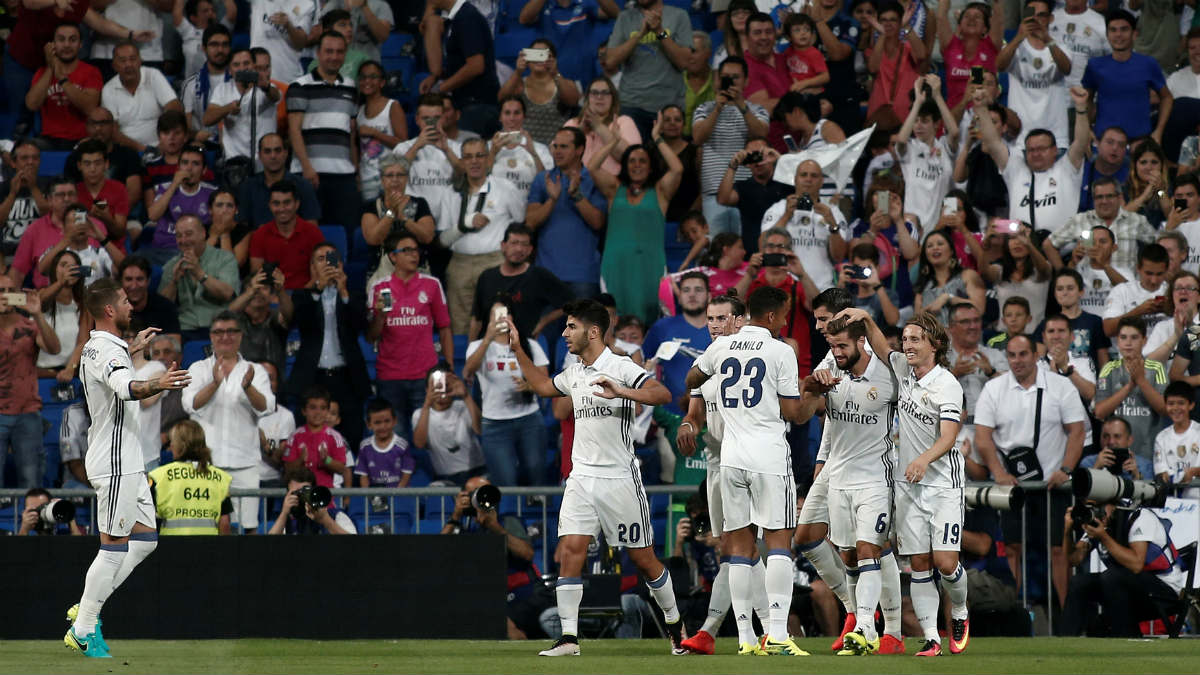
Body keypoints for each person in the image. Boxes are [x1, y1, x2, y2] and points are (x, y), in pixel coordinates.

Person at [506, 299, 685, 656]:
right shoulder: (575, 370)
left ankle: (676, 624)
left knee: (644, 559)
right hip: (581, 476)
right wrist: (517, 349)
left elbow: (662, 394)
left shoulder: (620, 366)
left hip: (620, 477)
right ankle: (569, 638)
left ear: (592, 331)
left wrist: (623, 391)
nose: (565, 333)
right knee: (571, 550)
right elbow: (543, 386)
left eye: (571, 327)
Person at [66, 277, 191, 657]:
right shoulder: (109, 354)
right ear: (108, 310)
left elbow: (113, 371)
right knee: (114, 547)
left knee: (146, 541)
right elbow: (125, 387)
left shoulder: (103, 347)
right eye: (123, 301)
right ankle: (84, 626)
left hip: (128, 463)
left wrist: (133, 347)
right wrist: (160, 382)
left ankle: (88, 606)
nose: (130, 305)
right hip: (116, 463)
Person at [834, 307, 970, 656]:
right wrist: (865, 317)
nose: (908, 345)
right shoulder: (902, 371)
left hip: (943, 486)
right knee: (920, 564)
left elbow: (949, 436)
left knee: (946, 563)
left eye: (916, 339)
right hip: (909, 485)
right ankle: (932, 638)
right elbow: (881, 347)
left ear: (935, 344)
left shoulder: (947, 385)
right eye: (906, 339)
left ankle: (959, 609)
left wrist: (923, 460)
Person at [684, 287, 809, 656]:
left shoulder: (721, 347)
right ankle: (779, 635)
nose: (786, 321)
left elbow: (692, 380)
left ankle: (745, 639)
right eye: (784, 314)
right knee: (779, 546)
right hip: (769, 458)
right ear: (771, 316)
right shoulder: (780, 350)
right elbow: (791, 412)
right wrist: (810, 396)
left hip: (732, 459)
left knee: (737, 549)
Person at [792, 312, 904, 654]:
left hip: (875, 478)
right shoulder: (830, 374)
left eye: (842, 345)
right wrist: (810, 387)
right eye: (832, 346)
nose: (836, 352)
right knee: (850, 557)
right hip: (838, 479)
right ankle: (862, 624)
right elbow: (798, 415)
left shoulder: (888, 376)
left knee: (870, 549)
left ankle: (870, 629)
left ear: (861, 342)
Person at [974, 334, 1087, 612]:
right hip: (1013, 487)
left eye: (1023, 354)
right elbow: (982, 437)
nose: (1017, 361)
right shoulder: (994, 388)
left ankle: (1065, 620)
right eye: (1012, 355)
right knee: (1012, 547)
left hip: (1052, 485)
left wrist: (1066, 469)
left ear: (1036, 355)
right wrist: (999, 473)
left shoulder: (1060, 386)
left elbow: (1077, 431)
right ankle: (1012, 613)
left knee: (1059, 550)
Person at [181, 310, 273, 531]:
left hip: (245, 463)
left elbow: (266, 406)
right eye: (219, 332)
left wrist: (248, 387)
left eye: (231, 331)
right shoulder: (198, 368)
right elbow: (190, 404)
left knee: (247, 527)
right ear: (211, 336)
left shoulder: (255, 370)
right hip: (205, 464)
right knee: (203, 525)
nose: (225, 336)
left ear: (241, 335)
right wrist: (214, 383)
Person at [588, 113, 683, 325]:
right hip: (616, 264)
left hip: (650, 265)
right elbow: (592, 167)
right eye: (632, 161)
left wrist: (657, 138)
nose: (637, 165)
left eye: (642, 161)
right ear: (625, 165)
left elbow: (677, 169)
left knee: (649, 318)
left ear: (650, 166)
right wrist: (612, 141)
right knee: (615, 320)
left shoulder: (660, 192)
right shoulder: (615, 189)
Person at [368, 230, 454, 439]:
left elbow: (444, 328)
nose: (414, 255)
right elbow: (371, 337)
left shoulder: (432, 285)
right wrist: (380, 317)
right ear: (393, 256)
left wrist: (449, 368)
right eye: (406, 251)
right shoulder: (379, 287)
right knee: (395, 440)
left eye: (416, 250)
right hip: (390, 377)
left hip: (425, 376)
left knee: (431, 438)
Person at [441, 474, 549, 639]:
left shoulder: (507, 521)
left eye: (485, 491)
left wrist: (494, 527)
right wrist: (455, 516)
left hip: (524, 594)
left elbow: (527, 554)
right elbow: (435, 556)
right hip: (490, 599)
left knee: (497, 620)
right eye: (474, 493)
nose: (481, 496)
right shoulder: (463, 529)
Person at [438, 138, 526, 335]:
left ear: (488, 159)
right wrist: (465, 224)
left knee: (498, 324)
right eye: (468, 157)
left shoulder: (506, 188)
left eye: (479, 155)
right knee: (459, 325)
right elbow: (442, 241)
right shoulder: (450, 193)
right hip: (459, 264)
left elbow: (520, 224)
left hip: (495, 262)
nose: (474, 161)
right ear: (461, 161)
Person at [975, 86, 1091, 234]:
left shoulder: (1067, 168)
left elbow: (1081, 142)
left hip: (1061, 250)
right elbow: (992, 143)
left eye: (1042, 149)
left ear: (1055, 150)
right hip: (1023, 248)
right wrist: (981, 109)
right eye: (1031, 150)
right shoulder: (1016, 169)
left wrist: (1080, 107)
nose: (1036, 154)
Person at [1061, 500, 1186, 636]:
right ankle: (1066, 643)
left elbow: (1136, 564)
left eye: (1098, 506)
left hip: (1165, 591)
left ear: (1113, 504)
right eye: (1090, 507)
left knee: (1111, 577)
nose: (1095, 512)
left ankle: (1127, 637)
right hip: (1126, 586)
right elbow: (1074, 559)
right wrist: (1067, 531)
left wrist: (1103, 537)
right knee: (1078, 583)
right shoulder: (1098, 523)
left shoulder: (1138, 517)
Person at [287, 242, 369, 447]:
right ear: (312, 267)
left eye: (331, 259)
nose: (326, 264)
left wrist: (343, 292)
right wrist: (317, 289)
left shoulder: (355, 295)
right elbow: (301, 322)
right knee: (308, 437)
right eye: (320, 259)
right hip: (313, 376)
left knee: (351, 434)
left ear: (341, 264)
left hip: (346, 377)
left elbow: (360, 325)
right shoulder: (302, 296)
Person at [465, 296, 550, 486]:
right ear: (488, 319)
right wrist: (487, 338)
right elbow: (468, 371)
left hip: (529, 419)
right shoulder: (476, 347)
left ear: (512, 316)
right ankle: (509, 516)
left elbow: (544, 381)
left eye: (504, 313)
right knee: (505, 479)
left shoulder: (530, 345)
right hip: (495, 424)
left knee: (536, 470)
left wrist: (530, 385)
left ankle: (538, 513)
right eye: (495, 315)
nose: (500, 319)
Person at [287, 30, 360, 235]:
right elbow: (294, 130)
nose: (334, 56)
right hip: (310, 174)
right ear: (318, 53)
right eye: (329, 51)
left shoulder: (351, 87)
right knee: (309, 236)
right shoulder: (299, 86)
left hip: (344, 175)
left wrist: (356, 171)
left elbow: (351, 133)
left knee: (346, 233)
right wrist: (307, 167)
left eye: (339, 52)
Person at [525, 126, 609, 300]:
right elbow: (530, 222)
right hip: (545, 274)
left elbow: (598, 222)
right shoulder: (543, 179)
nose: (557, 151)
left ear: (579, 150)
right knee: (544, 327)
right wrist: (552, 200)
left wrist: (576, 195)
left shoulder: (594, 179)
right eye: (555, 146)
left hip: (583, 276)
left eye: (564, 147)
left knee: (581, 327)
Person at [692, 57, 769, 236]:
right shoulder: (704, 108)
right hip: (713, 193)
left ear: (746, 81)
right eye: (726, 77)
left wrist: (742, 106)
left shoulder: (758, 111)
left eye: (736, 77)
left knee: (748, 248)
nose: (731, 81)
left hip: (747, 193)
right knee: (714, 250)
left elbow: (760, 135)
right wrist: (718, 109)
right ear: (718, 79)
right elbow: (698, 138)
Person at [603, 0, 693, 143]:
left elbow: (684, 62)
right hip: (631, 105)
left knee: (666, 163)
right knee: (633, 161)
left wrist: (659, 32)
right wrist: (638, 35)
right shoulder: (625, 18)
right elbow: (610, 61)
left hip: (668, 108)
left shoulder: (678, 16)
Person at [0, 279, 59, 488]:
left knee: (31, 480)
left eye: (10, 291)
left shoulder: (30, 326)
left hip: (27, 412)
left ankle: (33, 520)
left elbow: (54, 348)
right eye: (1, 291)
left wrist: (37, 314)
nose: (5, 295)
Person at [1081, 10, 1172, 144]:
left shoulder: (1148, 64)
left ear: (1134, 34)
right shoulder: (1094, 65)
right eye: (1113, 30)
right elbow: (1085, 100)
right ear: (1107, 35)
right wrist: (1086, 129)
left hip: (1139, 143)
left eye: (1124, 29)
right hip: (1103, 143)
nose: (1118, 35)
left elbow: (1167, 97)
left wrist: (1158, 131)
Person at [468, 224, 570, 342]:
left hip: (524, 347)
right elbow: (476, 319)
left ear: (530, 249)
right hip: (488, 347)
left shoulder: (539, 275)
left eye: (524, 244)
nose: (519, 249)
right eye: (514, 243)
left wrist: (543, 321)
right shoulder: (487, 277)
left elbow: (573, 303)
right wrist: (471, 350)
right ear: (503, 246)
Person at [760, 159, 849, 292]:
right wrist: (786, 215)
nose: (808, 179)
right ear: (795, 179)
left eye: (814, 176)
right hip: (784, 288)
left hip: (822, 288)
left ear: (821, 181)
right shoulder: (777, 209)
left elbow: (839, 256)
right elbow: (762, 247)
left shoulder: (832, 212)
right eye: (803, 175)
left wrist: (832, 224)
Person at [1043, 199, 1152, 304]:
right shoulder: (1078, 271)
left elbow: (1131, 296)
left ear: (1114, 248)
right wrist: (1073, 263)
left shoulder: (1125, 273)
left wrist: (1104, 265)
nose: (1097, 246)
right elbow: (1063, 297)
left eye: (1103, 241)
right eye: (1093, 242)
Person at [1094, 316, 1167, 470]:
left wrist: (1141, 381)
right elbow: (1099, 412)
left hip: (1149, 452)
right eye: (1123, 337)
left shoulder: (1157, 368)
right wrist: (1129, 387)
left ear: (1144, 340)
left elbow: (1163, 409)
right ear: (1118, 341)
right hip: (1115, 454)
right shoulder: (1108, 369)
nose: (1128, 343)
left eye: (1134, 337)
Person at [418, 0, 500, 136]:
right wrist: (435, 77)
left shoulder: (467, 17)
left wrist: (441, 89)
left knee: (470, 154)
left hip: (478, 105)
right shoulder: (454, 18)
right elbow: (455, 62)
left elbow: (476, 66)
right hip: (466, 103)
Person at [997, 0, 1070, 150]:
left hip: (1056, 137)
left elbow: (1066, 69)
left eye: (1041, 16)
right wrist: (1019, 37)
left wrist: (1047, 39)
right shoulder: (1015, 47)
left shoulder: (1061, 46)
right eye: (1031, 15)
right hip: (1020, 138)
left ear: (1050, 19)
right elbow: (999, 65)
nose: (1036, 20)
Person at [8, 179, 107, 289]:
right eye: (60, 195)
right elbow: (17, 272)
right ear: (49, 199)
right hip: (48, 296)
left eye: (71, 194)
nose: (66, 199)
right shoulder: (35, 229)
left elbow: (112, 267)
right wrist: (13, 301)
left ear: (77, 197)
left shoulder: (94, 226)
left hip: (91, 294)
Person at [894, 75, 959, 232]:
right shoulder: (910, 148)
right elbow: (901, 140)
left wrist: (937, 96)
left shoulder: (943, 146)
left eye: (924, 121)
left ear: (936, 124)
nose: (918, 126)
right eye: (915, 121)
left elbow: (955, 132)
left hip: (941, 226)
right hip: (914, 227)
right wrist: (917, 103)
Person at [159, 215, 239, 339]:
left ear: (203, 233)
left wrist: (200, 274)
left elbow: (227, 293)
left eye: (189, 234)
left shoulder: (224, 259)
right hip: (183, 329)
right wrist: (174, 282)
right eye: (179, 236)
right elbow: (162, 306)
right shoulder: (171, 265)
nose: (183, 240)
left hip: (219, 328)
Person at [148, 419, 234, 535]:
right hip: (210, 548)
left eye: (173, 441)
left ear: (180, 445)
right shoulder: (219, 477)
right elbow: (224, 523)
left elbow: (148, 521)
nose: (171, 445)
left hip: (170, 548)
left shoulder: (159, 476)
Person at [392, 94, 464, 232]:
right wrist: (417, 146)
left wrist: (447, 150)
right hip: (414, 220)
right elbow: (394, 176)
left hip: (448, 220)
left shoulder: (456, 148)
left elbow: (467, 177)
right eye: (426, 119)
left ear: (444, 118)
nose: (431, 123)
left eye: (436, 118)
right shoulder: (403, 148)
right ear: (417, 120)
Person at [25, 23, 103, 150]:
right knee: (26, 148)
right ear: (53, 45)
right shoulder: (42, 72)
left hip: (82, 140)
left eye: (72, 40)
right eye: (61, 39)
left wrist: (61, 77)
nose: (67, 45)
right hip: (49, 140)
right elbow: (32, 105)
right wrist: (51, 67)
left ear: (80, 44)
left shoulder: (91, 72)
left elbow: (89, 108)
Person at [643, 271, 712, 415]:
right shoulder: (662, 327)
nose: (692, 295)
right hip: (670, 415)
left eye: (698, 290)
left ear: (709, 296)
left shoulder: (721, 329)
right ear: (679, 297)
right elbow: (643, 365)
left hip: (714, 415)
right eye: (686, 290)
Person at [360, 154, 435, 285]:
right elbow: (373, 239)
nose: (395, 179)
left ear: (407, 178)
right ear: (382, 180)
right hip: (382, 271)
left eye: (400, 175)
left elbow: (427, 237)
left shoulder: (420, 204)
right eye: (389, 175)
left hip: (417, 270)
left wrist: (404, 219)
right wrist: (391, 214)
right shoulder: (371, 207)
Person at [100, 41, 183, 153]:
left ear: (140, 61)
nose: (128, 64)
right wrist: (144, 150)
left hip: (163, 146)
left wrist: (166, 141)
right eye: (122, 61)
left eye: (133, 59)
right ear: (114, 66)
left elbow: (174, 106)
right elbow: (113, 131)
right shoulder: (108, 89)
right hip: (127, 151)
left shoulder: (153, 75)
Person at [498, 37, 581, 146]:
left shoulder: (563, 83)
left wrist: (556, 73)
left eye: (543, 55)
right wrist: (518, 72)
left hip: (555, 150)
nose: (539, 59)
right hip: (523, 148)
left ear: (553, 59)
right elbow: (501, 99)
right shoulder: (519, 85)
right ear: (527, 57)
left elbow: (573, 101)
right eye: (534, 54)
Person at [412, 364, 486, 485]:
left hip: (477, 471)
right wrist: (427, 404)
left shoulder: (463, 406)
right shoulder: (419, 414)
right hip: (445, 477)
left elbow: (481, 430)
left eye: (447, 384)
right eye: (437, 386)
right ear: (427, 389)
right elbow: (419, 444)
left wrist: (466, 396)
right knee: (435, 492)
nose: (443, 389)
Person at [145, 145, 218, 266]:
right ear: (178, 168)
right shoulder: (166, 188)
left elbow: (219, 227)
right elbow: (153, 216)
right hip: (162, 251)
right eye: (185, 163)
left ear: (204, 170)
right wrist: (174, 185)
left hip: (195, 254)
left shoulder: (212, 193)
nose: (189, 168)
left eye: (195, 164)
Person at [205, 48, 280, 164]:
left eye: (246, 63)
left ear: (254, 66)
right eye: (236, 65)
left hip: (264, 161)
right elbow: (207, 119)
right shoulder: (222, 89)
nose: (242, 68)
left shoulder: (266, 87)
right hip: (234, 162)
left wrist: (265, 86)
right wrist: (228, 108)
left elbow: (275, 96)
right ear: (229, 70)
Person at [248, 180, 326, 290]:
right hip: (272, 297)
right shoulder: (260, 235)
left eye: (287, 203)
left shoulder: (313, 233)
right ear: (269, 206)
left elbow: (320, 274)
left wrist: (301, 296)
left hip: (306, 295)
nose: (281, 209)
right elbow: (257, 275)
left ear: (297, 204)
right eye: (276, 203)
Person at [716, 139, 790, 254]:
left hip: (784, 250)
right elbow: (723, 199)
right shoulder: (743, 187)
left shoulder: (786, 183)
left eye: (761, 155)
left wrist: (779, 159)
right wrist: (733, 165)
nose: (757, 161)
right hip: (753, 254)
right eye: (752, 157)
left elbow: (805, 187)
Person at [980, 221, 1052, 332]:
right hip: (1004, 337)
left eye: (1021, 238)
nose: (1017, 243)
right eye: (1012, 238)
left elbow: (1044, 270)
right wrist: (985, 245)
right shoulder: (1000, 271)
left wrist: (1028, 244)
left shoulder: (1040, 269)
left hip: (1034, 338)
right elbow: (984, 272)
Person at [238, 133, 321, 228]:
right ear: (260, 155)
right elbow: (242, 228)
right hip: (258, 241)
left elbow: (312, 228)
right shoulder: (248, 186)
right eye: (267, 151)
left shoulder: (303, 186)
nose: (273, 156)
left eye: (277, 150)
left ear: (285, 153)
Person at [564, 76, 642, 177]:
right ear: (587, 98)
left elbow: (630, 158)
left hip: (611, 183)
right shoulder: (573, 123)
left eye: (605, 93)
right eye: (595, 93)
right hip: (576, 181)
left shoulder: (624, 122)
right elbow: (560, 155)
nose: (600, 97)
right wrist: (580, 131)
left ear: (613, 98)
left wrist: (598, 126)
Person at [864, 1, 926, 126]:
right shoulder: (873, 50)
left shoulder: (908, 47)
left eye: (893, 20)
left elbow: (922, 55)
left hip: (906, 115)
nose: (888, 24)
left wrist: (907, 26)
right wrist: (882, 34)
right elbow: (873, 68)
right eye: (883, 20)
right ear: (878, 23)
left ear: (900, 22)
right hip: (879, 114)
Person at [935, 1, 1002, 109]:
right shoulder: (950, 46)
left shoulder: (990, 47)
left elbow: (998, 17)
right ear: (959, 25)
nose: (972, 19)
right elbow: (941, 17)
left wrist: (997, 3)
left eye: (977, 17)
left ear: (985, 28)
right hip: (954, 116)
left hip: (983, 115)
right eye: (967, 16)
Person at [355, 60, 407, 203]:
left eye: (372, 77)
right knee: (370, 222)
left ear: (382, 82)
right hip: (367, 179)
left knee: (391, 218)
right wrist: (357, 173)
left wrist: (375, 133)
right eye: (363, 77)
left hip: (390, 178)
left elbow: (403, 144)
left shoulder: (392, 106)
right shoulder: (358, 111)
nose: (367, 81)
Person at [281, 387, 352, 489]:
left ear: (327, 411)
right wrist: (300, 460)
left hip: (324, 496)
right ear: (304, 411)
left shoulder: (335, 437)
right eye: (313, 407)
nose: (318, 412)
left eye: (323, 408)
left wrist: (326, 460)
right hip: (300, 495)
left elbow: (342, 469)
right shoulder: (295, 437)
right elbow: (287, 470)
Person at [912, 229, 987, 325]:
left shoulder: (968, 275)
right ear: (925, 255)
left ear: (951, 250)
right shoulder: (922, 286)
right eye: (929, 246)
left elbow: (979, 309)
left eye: (940, 244)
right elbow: (916, 322)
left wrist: (949, 299)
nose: (935, 248)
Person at [35, 250, 90, 382]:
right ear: (54, 269)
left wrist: (71, 368)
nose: (68, 270)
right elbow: (40, 302)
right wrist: (61, 282)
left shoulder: (83, 303)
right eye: (64, 265)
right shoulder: (42, 294)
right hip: (41, 373)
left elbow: (82, 341)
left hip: (70, 374)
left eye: (73, 266)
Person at [487, 97, 551, 204]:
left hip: (530, 209)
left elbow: (547, 185)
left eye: (517, 113)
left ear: (524, 117)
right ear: (500, 117)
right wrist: (492, 154)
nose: (512, 118)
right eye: (507, 113)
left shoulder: (540, 149)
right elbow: (477, 182)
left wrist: (533, 154)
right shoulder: (487, 147)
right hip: (496, 210)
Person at [180, 24, 233, 145]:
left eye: (225, 45)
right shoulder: (190, 85)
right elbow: (184, 128)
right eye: (214, 45)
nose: (220, 50)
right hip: (203, 147)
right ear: (204, 48)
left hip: (234, 144)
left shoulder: (238, 82)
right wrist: (195, 135)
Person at [1102, 243, 1170, 338]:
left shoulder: (1174, 291)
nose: (1153, 280)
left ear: (1167, 270)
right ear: (1138, 268)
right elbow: (1108, 330)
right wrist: (1138, 311)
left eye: (1159, 274)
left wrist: (1170, 309)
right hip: (1127, 351)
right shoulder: (1122, 291)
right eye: (1149, 273)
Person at [267, 466, 356, 535]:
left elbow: (355, 546)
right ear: (288, 494)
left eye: (305, 492)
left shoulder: (336, 516)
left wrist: (325, 520)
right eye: (297, 493)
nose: (302, 497)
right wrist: (284, 513)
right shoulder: (285, 521)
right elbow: (268, 548)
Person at [0, 140, 52, 257]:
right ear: (13, 163)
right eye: (24, 158)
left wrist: (33, 188)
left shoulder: (49, 185)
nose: (30, 162)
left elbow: (53, 217)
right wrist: (12, 194)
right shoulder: (3, 188)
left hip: (41, 254)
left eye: (35, 158)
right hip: (9, 254)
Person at [249, 0, 318, 86]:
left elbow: (301, 44)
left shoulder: (306, 4)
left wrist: (288, 26)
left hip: (286, 75)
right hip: (257, 73)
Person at [74, 139, 131, 241]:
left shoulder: (119, 189)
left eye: (98, 163)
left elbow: (120, 232)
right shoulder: (73, 192)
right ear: (79, 166)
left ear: (106, 164)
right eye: (87, 164)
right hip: (81, 248)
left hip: (113, 248)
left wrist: (107, 218)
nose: (92, 169)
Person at [354, 398, 414, 488]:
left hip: (399, 497)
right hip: (375, 499)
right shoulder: (365, 447)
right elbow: (363, 476)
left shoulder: (402, 446)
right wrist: (369, 496)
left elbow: (406, 475)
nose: (383, 426)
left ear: (394, 421)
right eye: (377, 422)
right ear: (369, 424)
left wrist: (396, 496)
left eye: (387, 421)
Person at [1154, 381, 1200, 496]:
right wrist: (1175, 476)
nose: (1175, 408)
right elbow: (1161, 473)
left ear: (1191, 405)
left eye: (1181, 403)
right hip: (1172, 502)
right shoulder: (1161, 437)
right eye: (1171, 403)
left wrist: (1193, 472)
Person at [118, 256, 180, 341]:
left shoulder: (165, 307)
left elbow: (175, 343)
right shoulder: (114, 310)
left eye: (139, 279)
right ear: (121, 282)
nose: (134, 285)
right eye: (129, 279)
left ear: (148, 281)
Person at [175, 0, 237, 80]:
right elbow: (177, 14)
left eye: (212, 10)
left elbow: (232, 13)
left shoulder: (221, 31)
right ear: (193, 17)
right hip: (194, 83)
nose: (211, 13)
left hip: (221, 81)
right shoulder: (189, 32)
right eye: (205, 11)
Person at [1124, 140, 1173, 229]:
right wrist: (1144, 196)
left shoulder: (1169, 187)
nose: (1149, 167)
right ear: (1135, 165)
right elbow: (1122, 218)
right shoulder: (1125, 187)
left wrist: (1160, 190)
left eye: (1154, 162)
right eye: (1143, 162)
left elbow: (1171, 216)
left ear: (1162, 165)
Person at [17, 487, 85, 536]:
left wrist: (69, 515)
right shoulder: (23, 531)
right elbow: (16, 553)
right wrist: (24, 530)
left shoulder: (62, 529)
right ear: (24, 512)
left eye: (43, 507)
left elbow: (80, 551)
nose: (40, 513)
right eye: (34, 510)